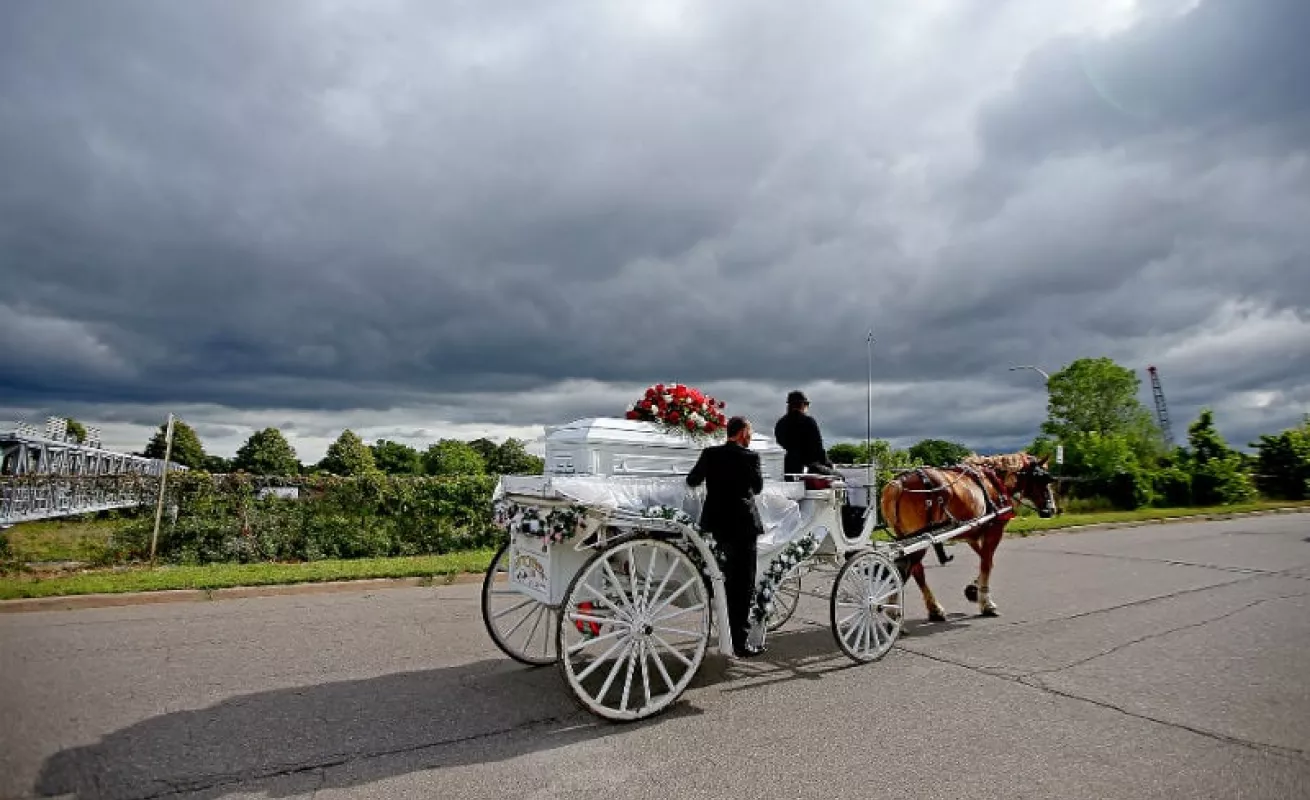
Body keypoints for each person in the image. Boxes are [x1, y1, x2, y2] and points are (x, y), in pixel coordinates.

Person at [685, 415, 766, 657]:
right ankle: (739, 643)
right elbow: (758, 487)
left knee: (724, 577)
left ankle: (726, 632)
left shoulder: (710, 454)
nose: (750, 437)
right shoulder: (750, 457)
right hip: (743, 524)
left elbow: (692, 480)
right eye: (749, 432)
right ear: (742, 433)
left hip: (717, 524)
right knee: (743, 584)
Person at [773, 390, 834, 480]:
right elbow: (818, 447)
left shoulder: (780, 423)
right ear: (803, 405)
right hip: (807, 467)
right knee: (840, 477)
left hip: (786, 468)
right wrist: (828, 465)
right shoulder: (808, 421)